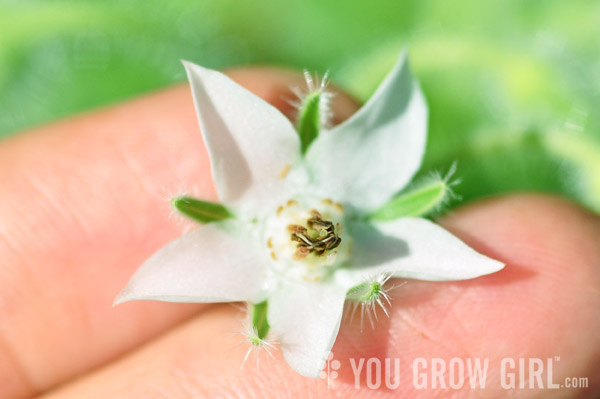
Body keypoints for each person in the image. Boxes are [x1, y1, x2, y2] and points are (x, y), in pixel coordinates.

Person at [0, 67, 598, 399]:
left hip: (355, 193)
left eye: (319, 235)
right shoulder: (232, 231)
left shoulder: (379, 234)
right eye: (314, 237)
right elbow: (307, 357)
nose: (317, 235)